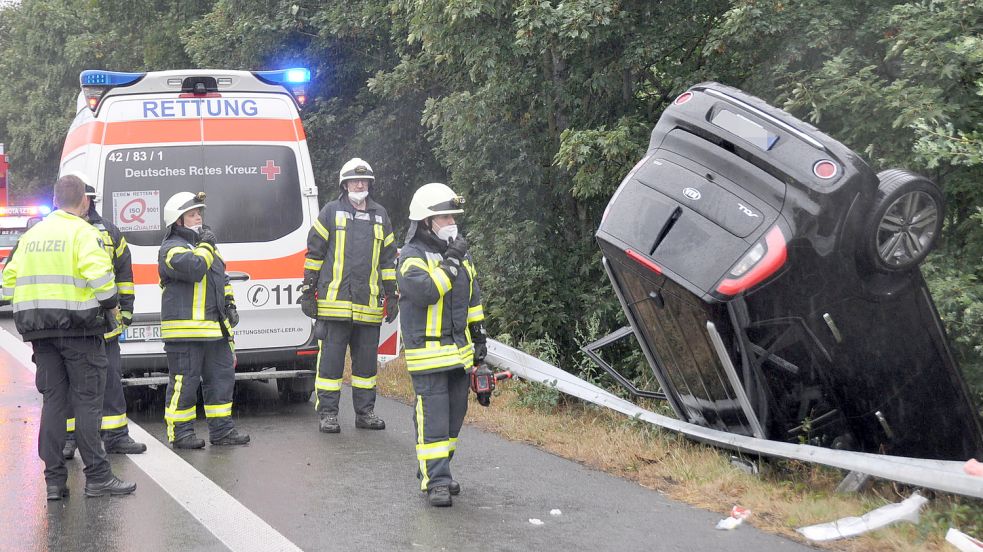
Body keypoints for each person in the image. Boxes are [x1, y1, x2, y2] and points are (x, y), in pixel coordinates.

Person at [1, 174, 136, 499]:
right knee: (88, 403)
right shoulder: (83, 232)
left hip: (40, 334)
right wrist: (112, 306)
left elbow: (7, 282)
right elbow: (103, 284)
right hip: (81, 331)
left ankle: (54, 482)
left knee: (54, 403)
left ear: (55, 200)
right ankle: (98, 477)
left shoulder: (33, 235)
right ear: (85, 201)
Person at [396, 182, 487, 507]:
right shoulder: (411, 257)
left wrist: (479, 339)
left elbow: (472, 296)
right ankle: (436, 481)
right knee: (433, 419)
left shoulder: (462, 255)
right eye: (444, 217)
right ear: (425, 221)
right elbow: (426, 292)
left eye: (452, 216)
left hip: (459, 356)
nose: (451, 222)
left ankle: (439, 469)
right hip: (428, 355)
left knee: (453, 420)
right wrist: (451, 261)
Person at [300, 157, 398, 433]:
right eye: (354, 180)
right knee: (330, 365)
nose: (359, 184)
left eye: (364, 180)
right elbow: (315, 254)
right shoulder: (330, 212)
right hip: (335, 306)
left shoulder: (381, 216)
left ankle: (365, 413)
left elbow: (389, 260)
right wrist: (308, 289)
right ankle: (328, 414)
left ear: (370, 184)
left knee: (366, 367)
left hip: (367, 305)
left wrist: (391, 294)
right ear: (344, 185)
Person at [62, 180, 146, 459]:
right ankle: (68, 439)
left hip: (104, 326)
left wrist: (127, 310)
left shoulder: (109, 231)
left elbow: (123, 274)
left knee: (111, 382)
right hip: (72, 326)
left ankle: (117, 436)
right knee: (71, 385)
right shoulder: (60, 230)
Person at [158, 191, 249, 449]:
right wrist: (207, 245)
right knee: (184, 384)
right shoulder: (170, 249)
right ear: (178, 221)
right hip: (185, 333)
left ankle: (222, 431)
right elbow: (196, 268)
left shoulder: (209, 248)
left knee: (221, 380)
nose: (198, 218)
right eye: (192, 214)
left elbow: (223, 280)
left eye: (199, 213)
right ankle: (181, 433)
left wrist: (230, 304)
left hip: (215, 331)